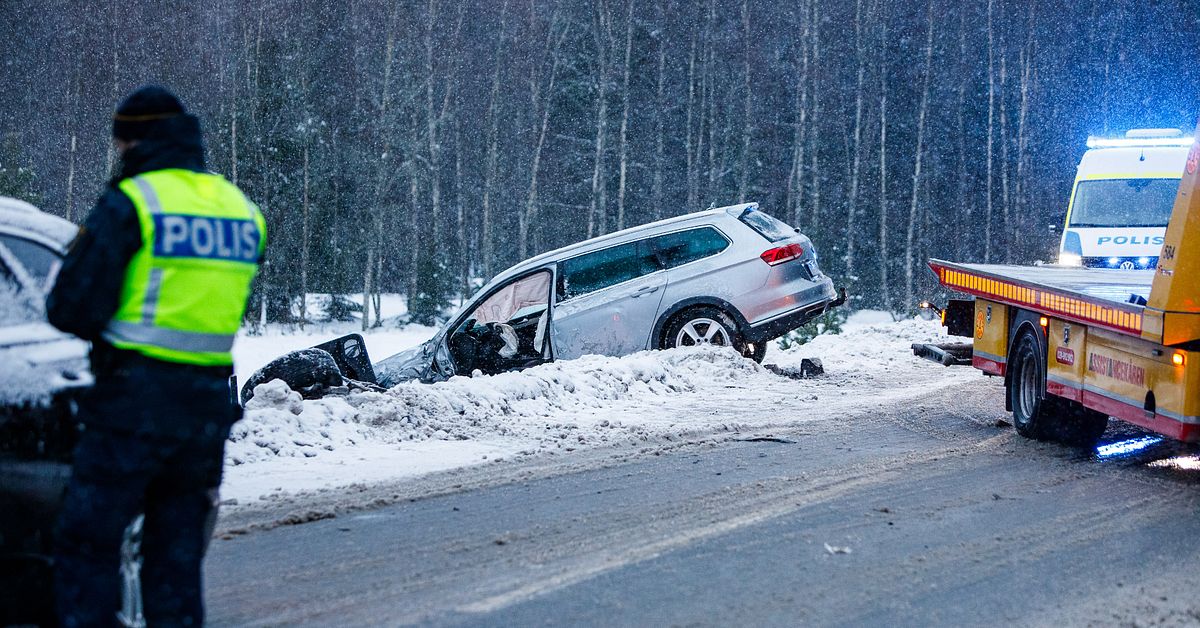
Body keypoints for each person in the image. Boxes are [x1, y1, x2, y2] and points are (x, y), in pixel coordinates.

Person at [46, 85, 266, 627]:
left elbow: (71, 307)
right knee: (174, 561)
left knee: (87, 544)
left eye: (120, 144)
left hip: (131, 408)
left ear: (134, 140)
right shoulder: (240, 210)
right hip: (206, 411)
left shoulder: (135, 203)